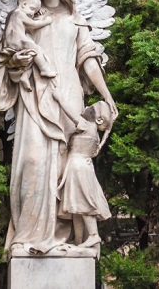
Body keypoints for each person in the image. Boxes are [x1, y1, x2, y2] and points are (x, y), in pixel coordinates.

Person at [0, 0, 117, 256]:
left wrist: (108, 97)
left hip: (70, 97)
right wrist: (16, 63)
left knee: (67, 170)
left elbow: (87, 59)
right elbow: (11, 53)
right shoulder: (26, 14)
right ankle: (28, 235)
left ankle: (66, 239)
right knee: (34, 161)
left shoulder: (74, 16)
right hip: (36, 95)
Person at [59, 101, 114, 248]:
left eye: (92, 108)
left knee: (84, 203)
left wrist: (59, 98)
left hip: (78, 167)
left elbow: (71, 113)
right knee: (77, 206)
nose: (87, 108)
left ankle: (94, 235)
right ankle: (78, 241)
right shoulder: (95, 134)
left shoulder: (86, 126)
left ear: (99, 119)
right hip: (82, 167)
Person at [0, 0, 56, 91]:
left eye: (35, 12)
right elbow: (33, 24)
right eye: (32, 9)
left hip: (10, 43)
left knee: (31, 56)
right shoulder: (20, 14)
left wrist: (38, 10)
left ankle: (25, 76)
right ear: (24, 4)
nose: (32, 13)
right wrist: (46, 21)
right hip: (18, 41)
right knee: (36, 49)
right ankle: (44, 69)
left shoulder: (12, 14)